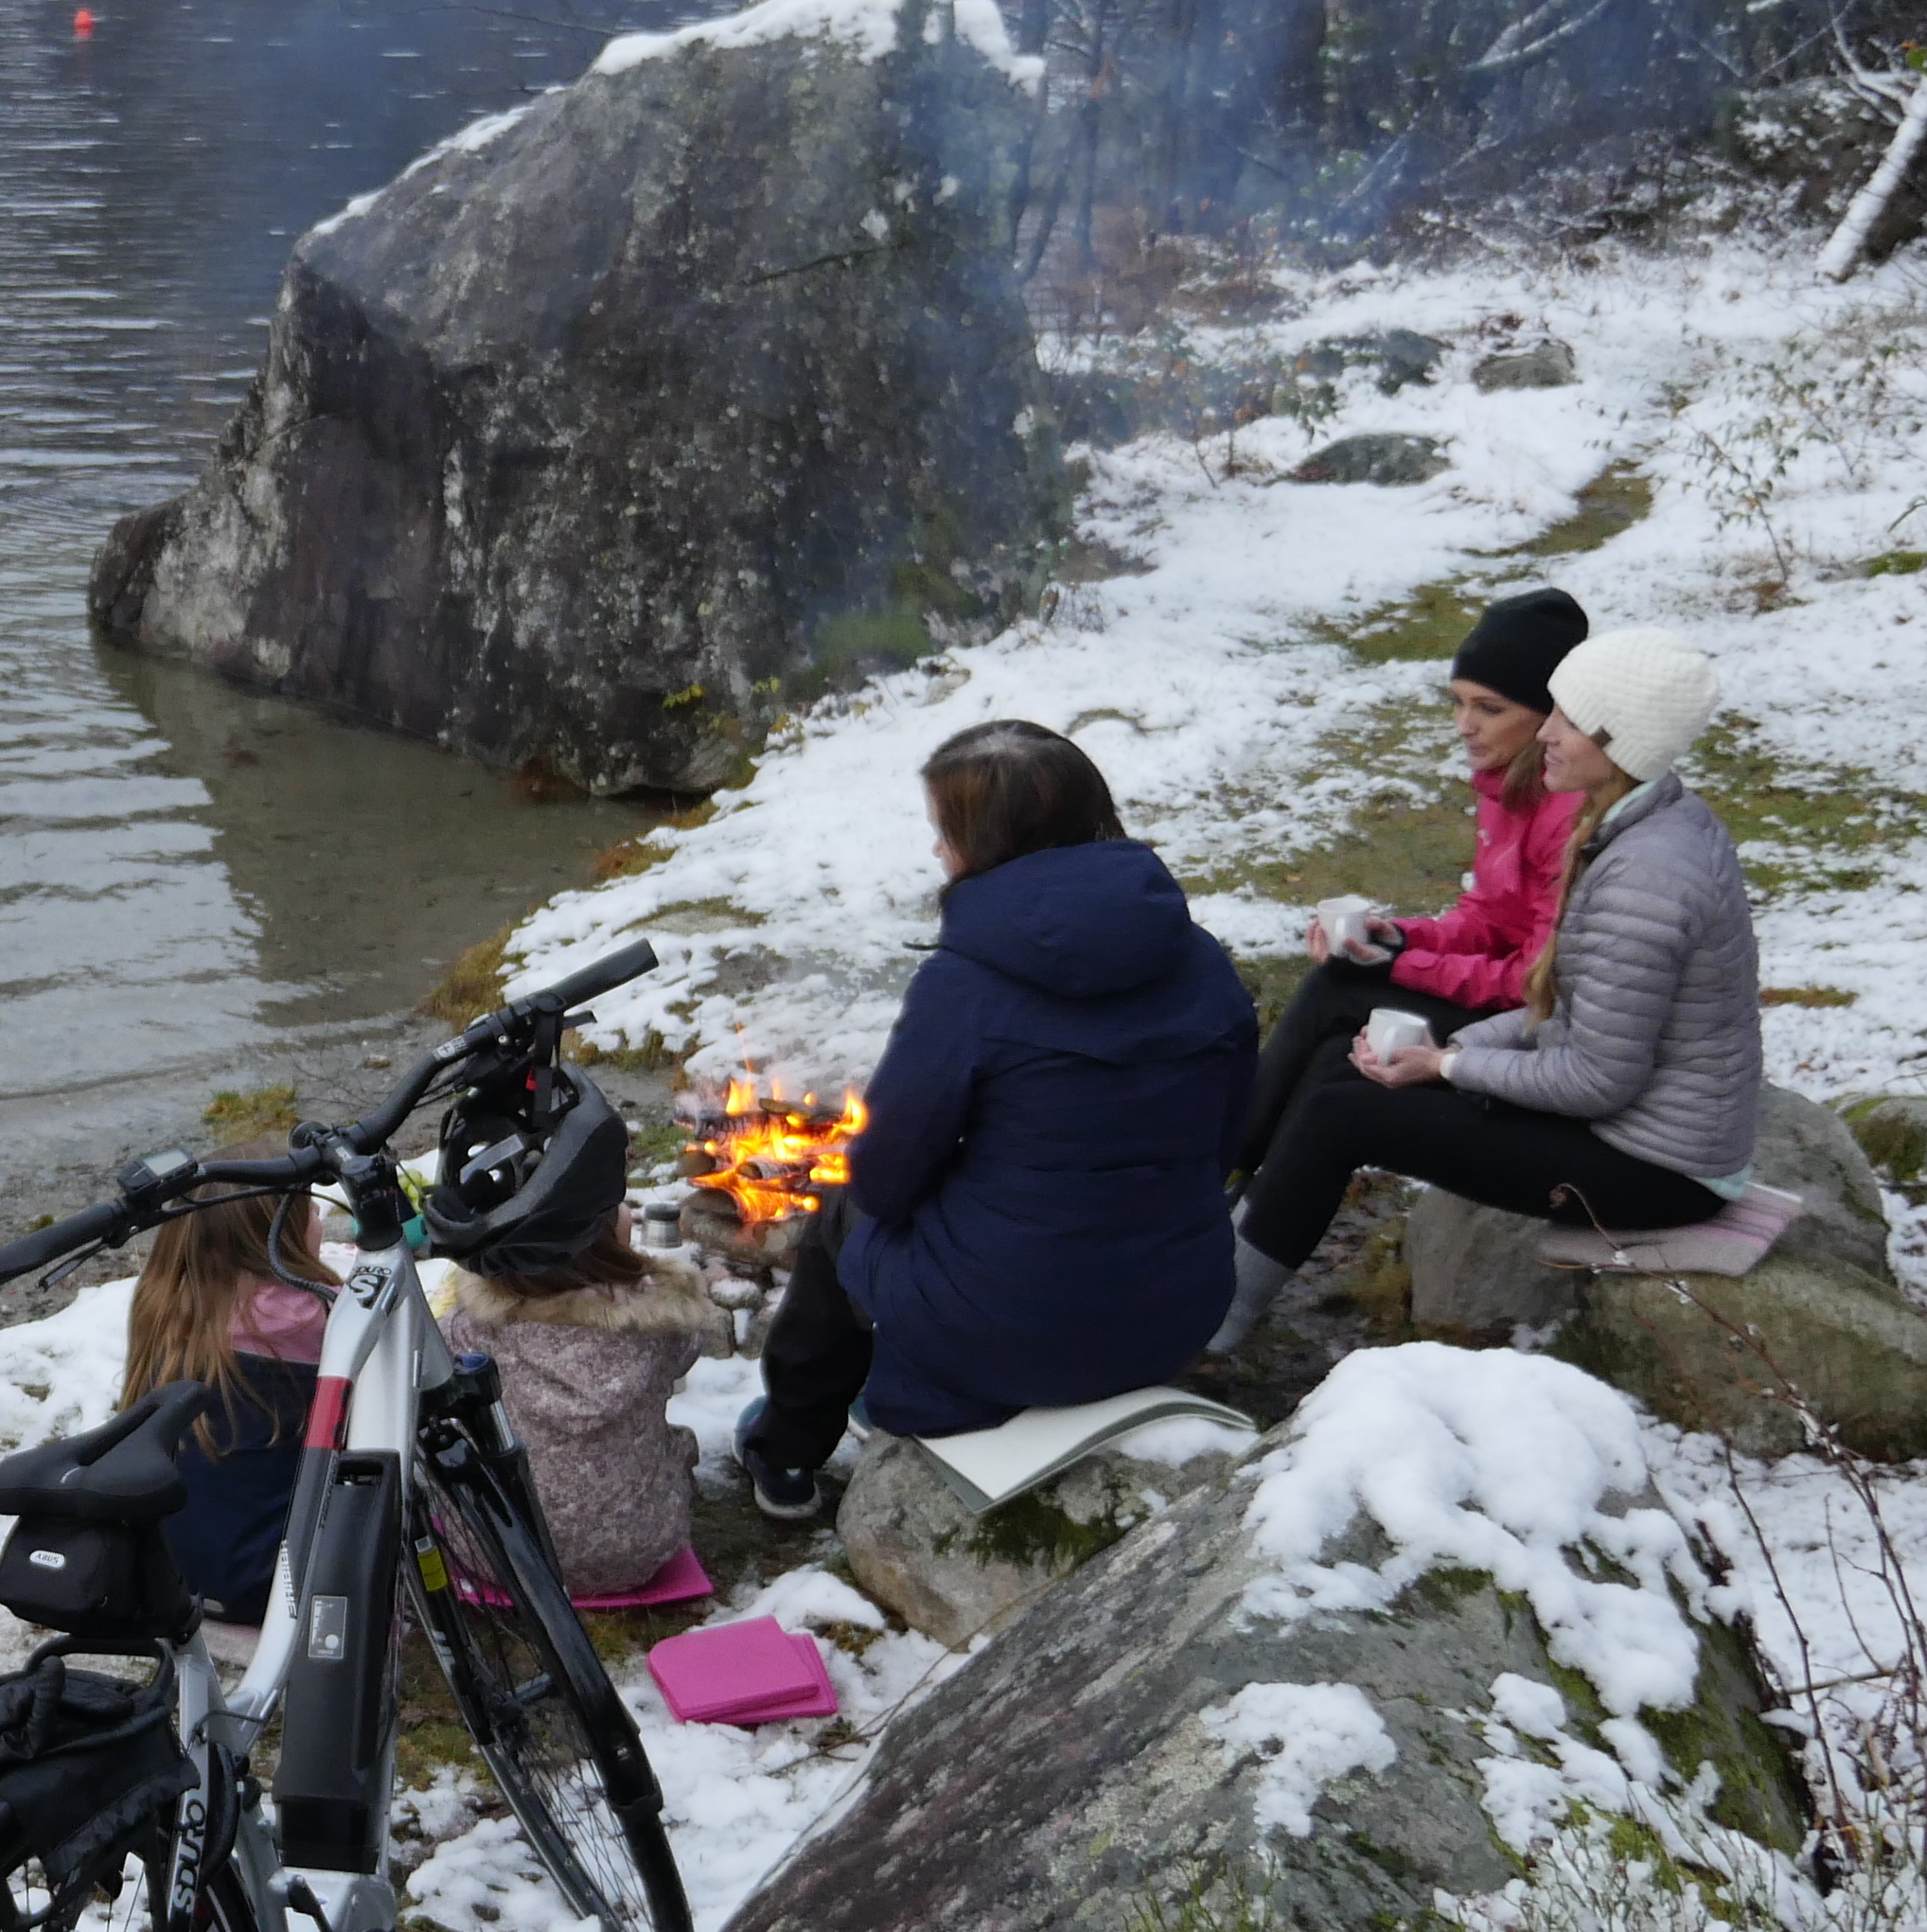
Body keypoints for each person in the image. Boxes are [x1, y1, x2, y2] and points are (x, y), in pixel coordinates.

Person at [737, 719, 1255, 1520]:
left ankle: (789, 1448)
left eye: (947, 834)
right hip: (1176, 1315)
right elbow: (1225, 1142)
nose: (939, 854)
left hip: (1012, 1338)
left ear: (987, 844)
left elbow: (886, 1175)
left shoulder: (967, 985)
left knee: (846, 1206)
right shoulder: (1203, 958)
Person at [1211, 627, 1760, 1352]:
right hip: (1632, 1126)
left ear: (1619, 740)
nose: (1549, 733)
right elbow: (1562, 1008)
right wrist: (1452, 1043)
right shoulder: (1634, 826)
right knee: (1340, 1068)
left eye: (1565, 718)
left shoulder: (1646, 877)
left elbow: (1597, 1080)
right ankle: (1214, 1256)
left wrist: (1444, 1065)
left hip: (1658, 1170)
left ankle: (1207, 1324)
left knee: (1344, 1113)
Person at [1235, 587, 1588, 1172]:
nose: (1464, 726)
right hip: (1511, 1002)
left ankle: (1229, 1160)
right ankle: (1242, 1178)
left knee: (1339, 1002)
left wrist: (1398, 967)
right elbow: (1489, 918)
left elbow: (1535, 977)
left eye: (1490, 709)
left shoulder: (1569, 818)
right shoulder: (1509, 786)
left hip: (1539, 1032)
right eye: (1458, 702)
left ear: (1550, 718)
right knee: (1335, 1046)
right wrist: (1399, 938)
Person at [439, 1220, 714, 1596]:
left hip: (500, 1553)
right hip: (640, 1549)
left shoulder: (468, 1328)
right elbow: (685, 1354)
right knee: (671, 1443)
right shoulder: (661, 1326)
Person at [124, 1184, 331, 1625]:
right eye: (310, 1211)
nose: (321, 1217)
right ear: (272, 1238)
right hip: (275, 1584)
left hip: (166, 1576)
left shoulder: (167, 1307)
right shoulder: (309, 1316)